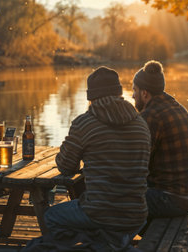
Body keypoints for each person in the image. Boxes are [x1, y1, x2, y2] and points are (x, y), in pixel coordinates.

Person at [33, 67, 151, 251]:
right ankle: (109, 243)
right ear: (119, 93)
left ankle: (97, 245)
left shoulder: (84, 123)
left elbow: (65, 166)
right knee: (97, 220)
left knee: (50, 216)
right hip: (137, 215)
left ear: (91, 97)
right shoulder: (140, 123)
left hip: (100, 212)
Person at [132, 60, 188, 219]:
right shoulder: (174, 106)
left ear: (144, 93)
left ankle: (111, 243)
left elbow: (137, 163)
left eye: (134, 90)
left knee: (113, 201)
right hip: (187, 196)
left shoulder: (151, 115)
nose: (132, 95)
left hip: (172, 199)